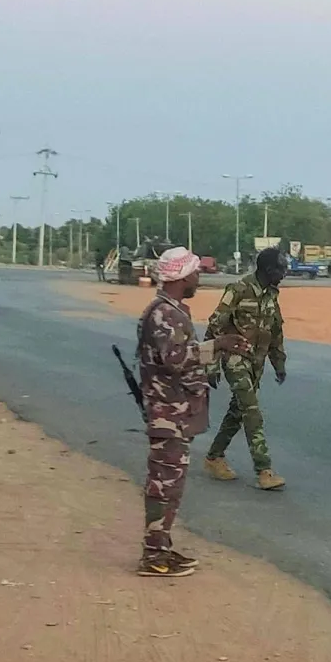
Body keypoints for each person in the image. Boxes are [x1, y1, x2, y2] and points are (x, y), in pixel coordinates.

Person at [136, 247, 249, 577]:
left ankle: (161, 549)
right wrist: (219, 346)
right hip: (167, 413)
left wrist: (220, 347)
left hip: (176, 413)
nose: (199, 278)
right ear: (181, 277)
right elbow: (175, 359)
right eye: (195, 273)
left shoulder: (172, 311)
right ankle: (153, 556)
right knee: (163, 485)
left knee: (171, 485)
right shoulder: (163, 314)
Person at [202, 247, 288, 490]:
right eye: (281, 269)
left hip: (256, 363)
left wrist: (278, 363)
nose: (285, 273)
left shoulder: (272, 294)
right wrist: (211, 364)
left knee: (237, 413)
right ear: (269, 270)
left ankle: (213, 457)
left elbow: (275, 331)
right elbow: (215, 326)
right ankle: (264, 470)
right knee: (251, 411)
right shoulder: (238, 290)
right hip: (235, 359)